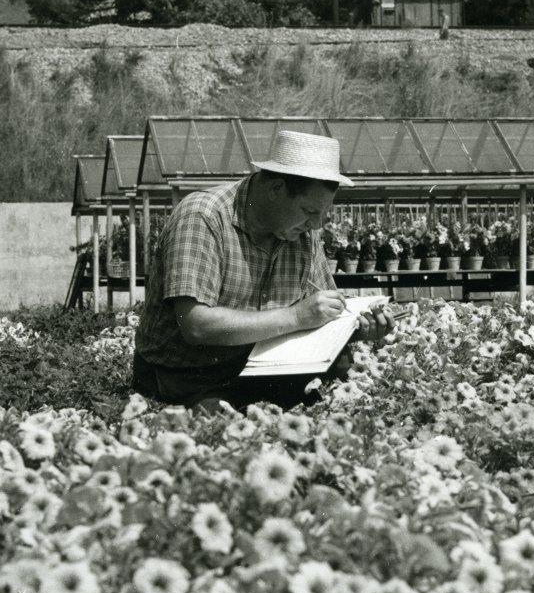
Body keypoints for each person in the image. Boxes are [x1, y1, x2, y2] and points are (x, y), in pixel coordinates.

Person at [131, 130, 396, 411]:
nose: (317, 224)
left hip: (262, 367)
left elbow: (324, 311)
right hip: (188, 374)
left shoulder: (301, 233)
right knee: (222, 424)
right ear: (276, 190)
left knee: (344, 392)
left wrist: (356, 327)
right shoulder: (204, 217)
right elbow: (196, 325)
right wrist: (295, 316)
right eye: (309, 211)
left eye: (322, 213)